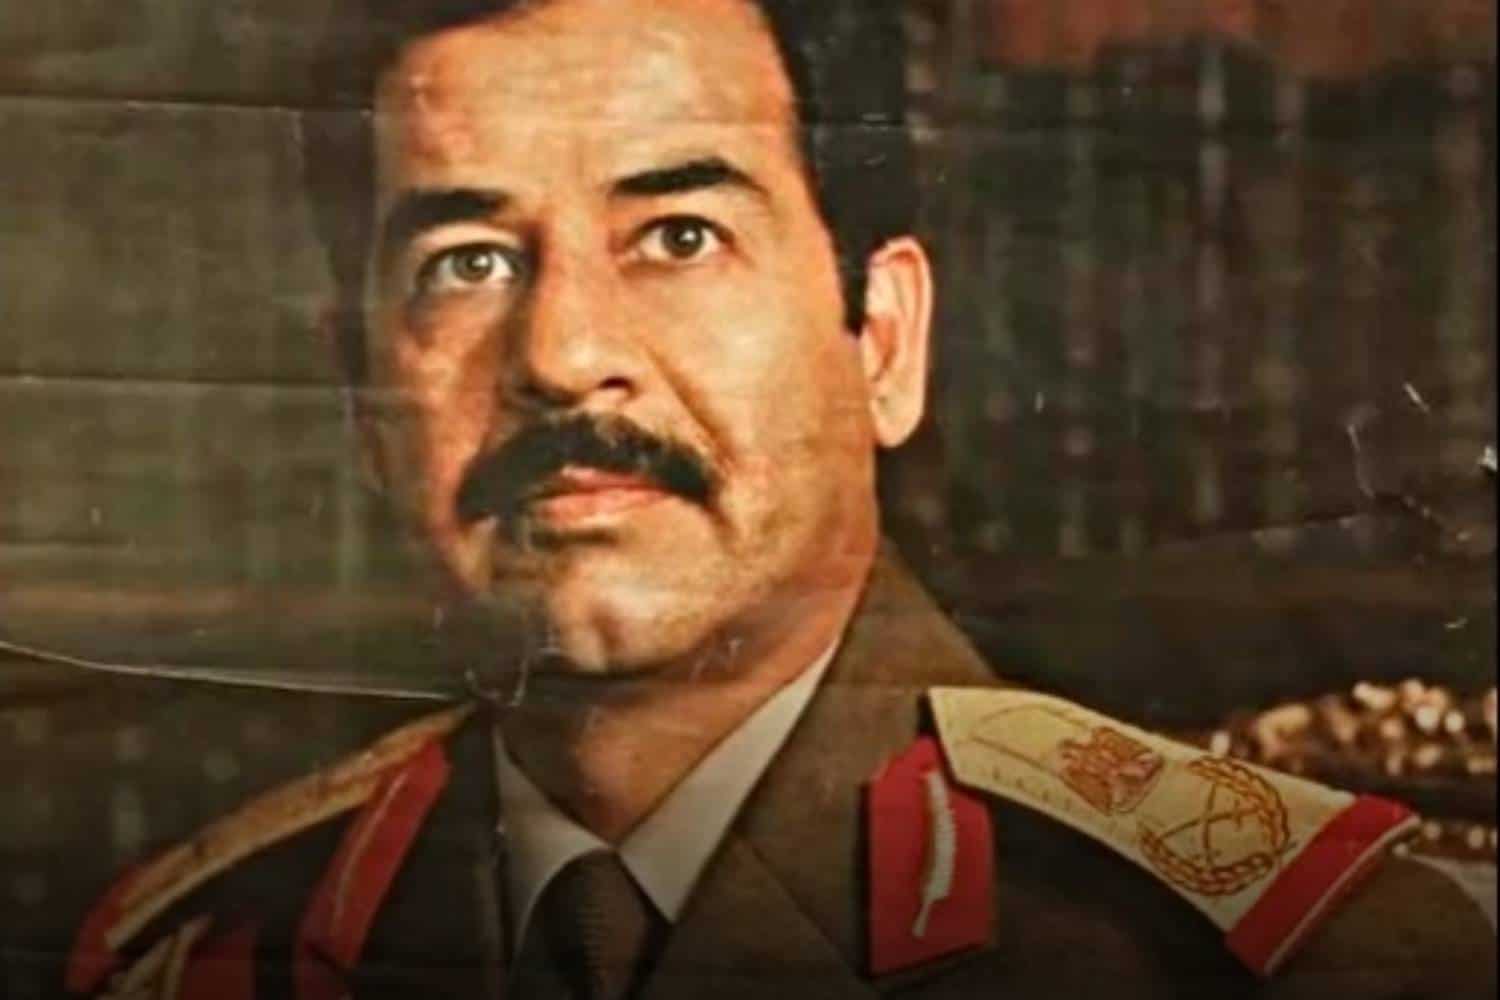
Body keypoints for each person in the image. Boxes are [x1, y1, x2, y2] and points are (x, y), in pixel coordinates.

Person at [24, 1, 1495, 998]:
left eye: (678, 234)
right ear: (364, 406)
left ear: (884, 342)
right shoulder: (203, 956)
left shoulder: (1276, 957)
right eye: (466, 262)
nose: (562, 355)